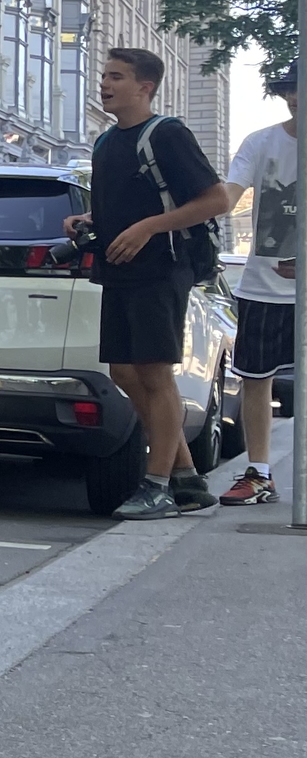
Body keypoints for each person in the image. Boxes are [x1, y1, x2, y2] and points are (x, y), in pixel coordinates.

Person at [64, 47, 233, 519]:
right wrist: (87, 218)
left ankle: (157, 486)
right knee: (123, 373)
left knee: (156, 374)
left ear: (145, 87)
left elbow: (216, 199)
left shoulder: (168, 134)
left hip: (162, 266)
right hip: (118, 268)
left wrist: (148, 227)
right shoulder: (105, 142)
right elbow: (126, 204)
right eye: (104, 75)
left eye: (116, 77)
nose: (105, 84)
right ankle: (187, 479)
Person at [215, 64, 297, 505]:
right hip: (264, 286)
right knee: (255, 378)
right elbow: (228, 196)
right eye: (292, 90)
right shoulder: (261, 143)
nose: (298, 98)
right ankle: (259, 473)